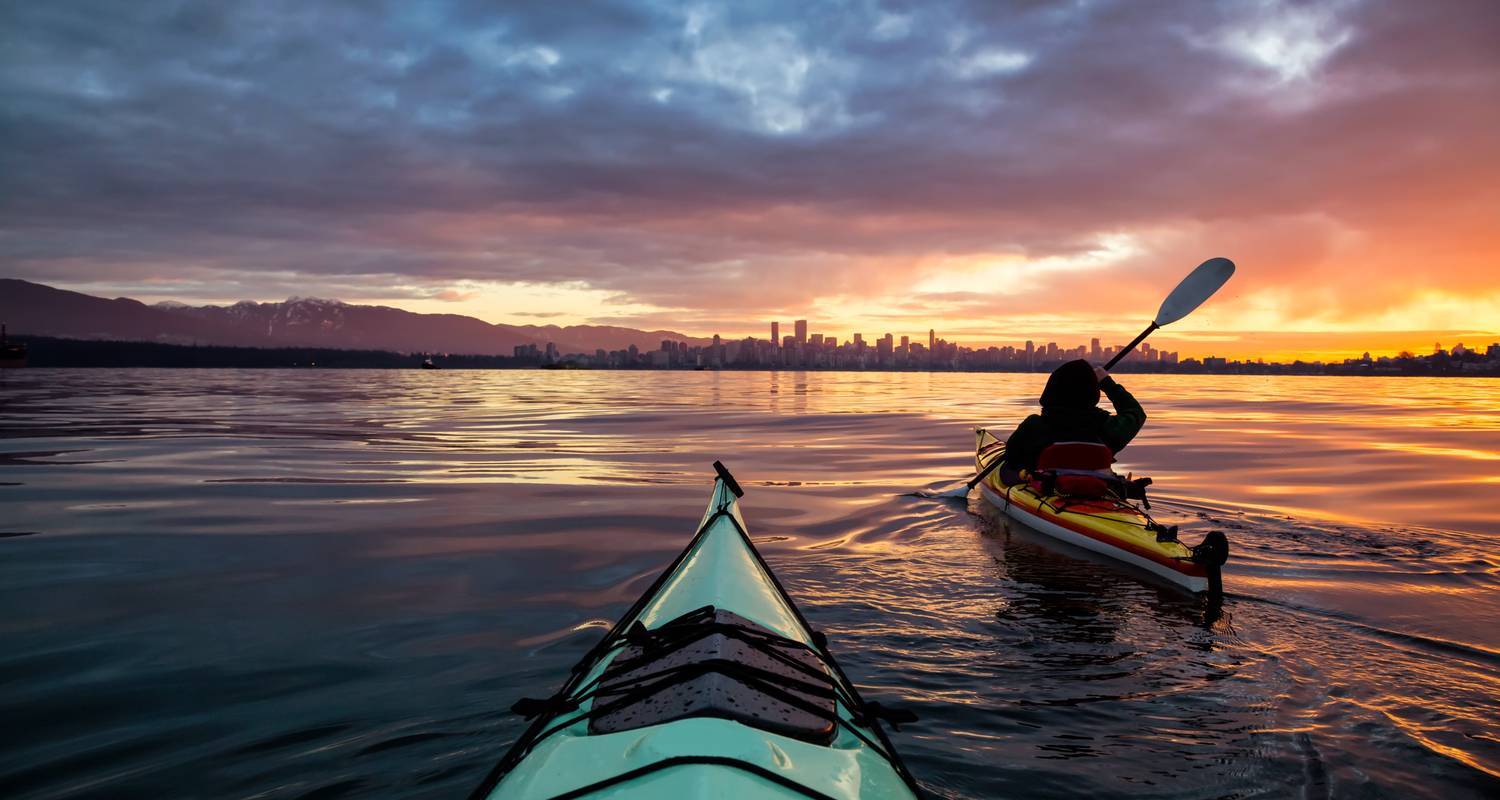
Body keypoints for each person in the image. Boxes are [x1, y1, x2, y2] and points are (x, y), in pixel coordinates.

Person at [998, 359, 1146, 484]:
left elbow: (1012, 460)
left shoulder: (1034, 426)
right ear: (1093, 393)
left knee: (1008, 469)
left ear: (1051, 390)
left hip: (1044, 490)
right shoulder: (1108, 428)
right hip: (1096, 491)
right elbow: (1135, 413)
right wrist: (1107, 383)